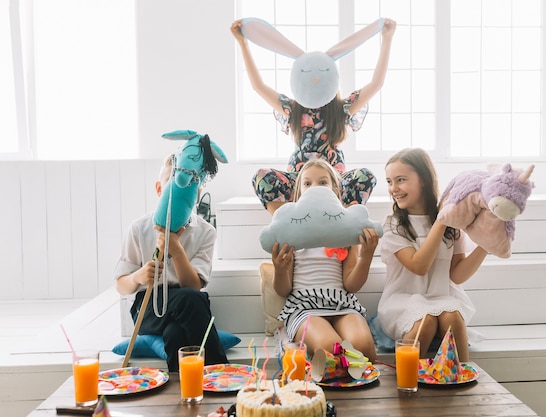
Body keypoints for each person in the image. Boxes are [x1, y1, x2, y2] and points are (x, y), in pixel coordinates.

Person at [231, 18, 397, 215]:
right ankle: (287, 223)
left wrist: (387, 39)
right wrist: (242, 43)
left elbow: (376, 84)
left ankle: (341, 222)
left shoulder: (341, 109)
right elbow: (258, 86)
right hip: (300, 182)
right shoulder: (292, 110)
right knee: (261, 177)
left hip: (334, 183)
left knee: (366, 176)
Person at [114, 154, 227, 371]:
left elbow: (193, 285)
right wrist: (138, 276)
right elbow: (121, 284)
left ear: (197, 194)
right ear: (159, 189)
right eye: (172, 183)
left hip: (189, 302)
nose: (179, 191)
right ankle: (220, 371)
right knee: (190, 300)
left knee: (175, 333)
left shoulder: (205, 232)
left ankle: (183, 391)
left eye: (189, 185)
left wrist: (175, 248)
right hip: (149, 307)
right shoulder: (138, 228)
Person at [377, 148, 488, 361]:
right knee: (425, 321)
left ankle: (460, 380)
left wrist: (485, 245)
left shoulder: (451, 226)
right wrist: (441, 220)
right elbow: (419, 266)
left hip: (441, 296)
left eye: (400, 180)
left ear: (424, 180)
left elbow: (457, 275)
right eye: (390, 182)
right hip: (402, 300)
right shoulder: (393, 225)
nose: (394, 188)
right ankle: (408, 384)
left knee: (454, 319)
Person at [272, 159, 379, 361]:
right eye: (307, 183)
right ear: (299, 193)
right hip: (304, 307)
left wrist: (366, 256)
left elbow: (351, 284)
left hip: (342, 304)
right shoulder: (292, 232)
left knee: (362, 346)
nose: (315, 189)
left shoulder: (346, 233)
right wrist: (279, 269)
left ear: (335, 191)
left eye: (322, 182)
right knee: (330, 348)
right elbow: (283, 290)